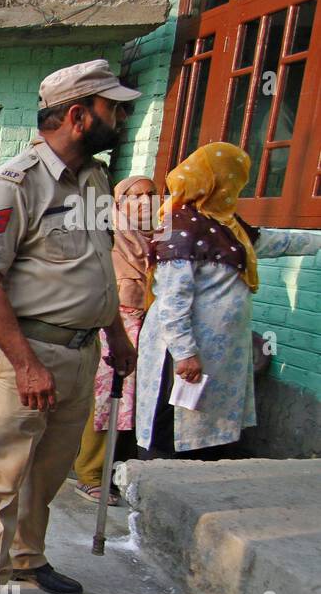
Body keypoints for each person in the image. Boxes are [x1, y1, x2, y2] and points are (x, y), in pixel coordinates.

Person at [0, 59, 139, 594]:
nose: (122, 115)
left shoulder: (95, 179)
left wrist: (114, 334)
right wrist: (26, 364)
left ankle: (28, 557)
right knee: (6, 471)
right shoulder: (11, 185)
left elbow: (96, 268)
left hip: (81, 353)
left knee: (51, 469)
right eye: (113, 107)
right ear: (79, 115)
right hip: (26, 357)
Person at [135, 143, 321, 459]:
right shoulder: (180, 225)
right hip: (184, 354)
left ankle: (199, 495)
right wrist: (184, 353)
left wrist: (315, 241)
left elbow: (273, 241)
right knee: (174, 432)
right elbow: (172, 298)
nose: (238, 186)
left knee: (206, 438)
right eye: (235, 178)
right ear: (217, 180)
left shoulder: (225, 224)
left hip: (214, 355)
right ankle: (154, 497)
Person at [73, 175, 156, 502]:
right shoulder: (111, 234)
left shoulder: (156, 236)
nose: (145, 202)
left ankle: (112, 467)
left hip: (144, 325)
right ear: (119, 202)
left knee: (129, 404)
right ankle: (90, 473)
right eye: (135, 196)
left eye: (151, 195)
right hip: (113, 324)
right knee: (107, 398)